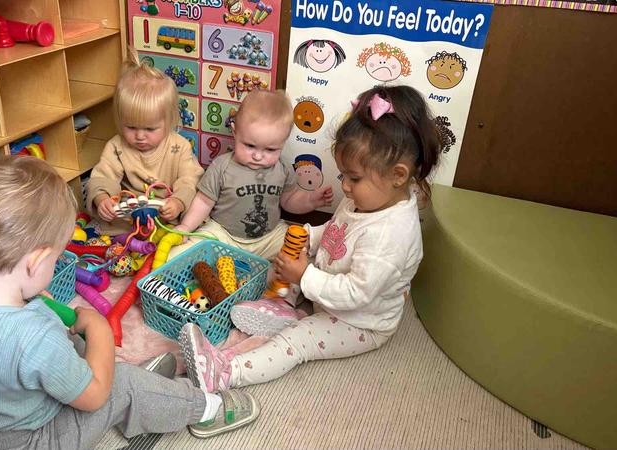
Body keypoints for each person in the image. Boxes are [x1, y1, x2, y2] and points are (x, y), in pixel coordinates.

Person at [0, 156, 259, 448]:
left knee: (66, 339)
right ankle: (205, 408)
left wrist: (36, 307)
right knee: (121, 384)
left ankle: (136, 391)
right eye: (56, 258)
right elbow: (95, 397)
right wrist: (98, 327)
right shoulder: (34, 336)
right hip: (35, 439)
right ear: (36, 261)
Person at [178, 85, 442, 392]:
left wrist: (304, 276)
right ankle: (283, 306)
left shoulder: (390, 237)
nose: (344, 186)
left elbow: (356, 294)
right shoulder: (368, 198)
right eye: (344, 175)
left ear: (398, 175)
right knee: (286, 263)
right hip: (326, 288)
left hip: (356, 321)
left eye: (353, 178)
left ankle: (224, 372)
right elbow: (336, 230)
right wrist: (308, 237)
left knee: (296, 342)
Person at [171, 89, 333, 260]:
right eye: (249, 146)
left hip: (268, 238)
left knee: (301, 256)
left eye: (270, 149)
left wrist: (311, 200)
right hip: (223, 234)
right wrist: (186, 227)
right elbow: (204, 201)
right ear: (235, 132)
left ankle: (282, 284)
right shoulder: (222, 166)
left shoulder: (282, 168)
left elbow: (288, 201)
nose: (257, 156)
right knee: (181, 253)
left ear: (283, 143)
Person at [86, 51, 203, 235]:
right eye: (131, 127)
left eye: (150, 129)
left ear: (170, 120)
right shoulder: (117, 146)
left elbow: (190, 180)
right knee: (104, 234)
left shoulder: (180, 147)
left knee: (187, 232)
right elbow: (103, 177)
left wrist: (179, 202)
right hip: (128, 220)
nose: (140, 136)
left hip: (165, 218)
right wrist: (102, 199)